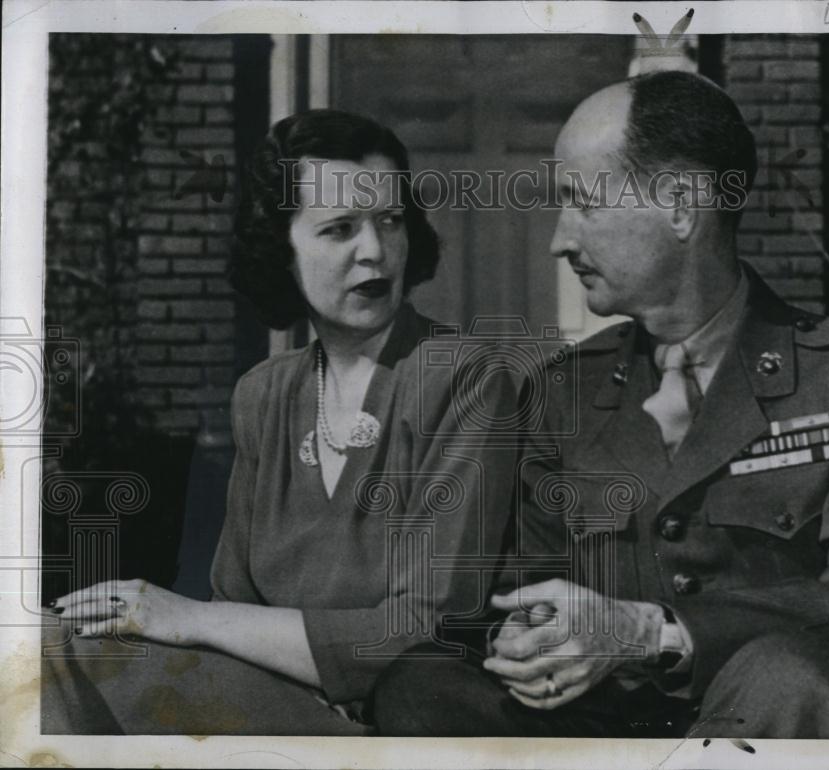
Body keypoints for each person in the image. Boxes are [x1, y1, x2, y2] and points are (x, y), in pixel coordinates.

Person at [373, 71, 829, 739]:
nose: (559, 240)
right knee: (422, 687)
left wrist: (649, 632)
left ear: (681, 205)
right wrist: (529, 637)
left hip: (781, 725)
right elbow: (519, 589)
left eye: (583, 203)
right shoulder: (561, 391)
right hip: (611, 730)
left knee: (785, 677)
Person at [40, 110, 517, 735]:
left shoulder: (466, 378)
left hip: (396, 722)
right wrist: (199, 625)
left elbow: (424, 630)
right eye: (339, 228)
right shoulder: (263, 394)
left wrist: (188, 618)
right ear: (281, 251)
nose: (374, 251)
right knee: (37, 641)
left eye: (390, 221)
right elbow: (233, 599)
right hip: (274, 700)